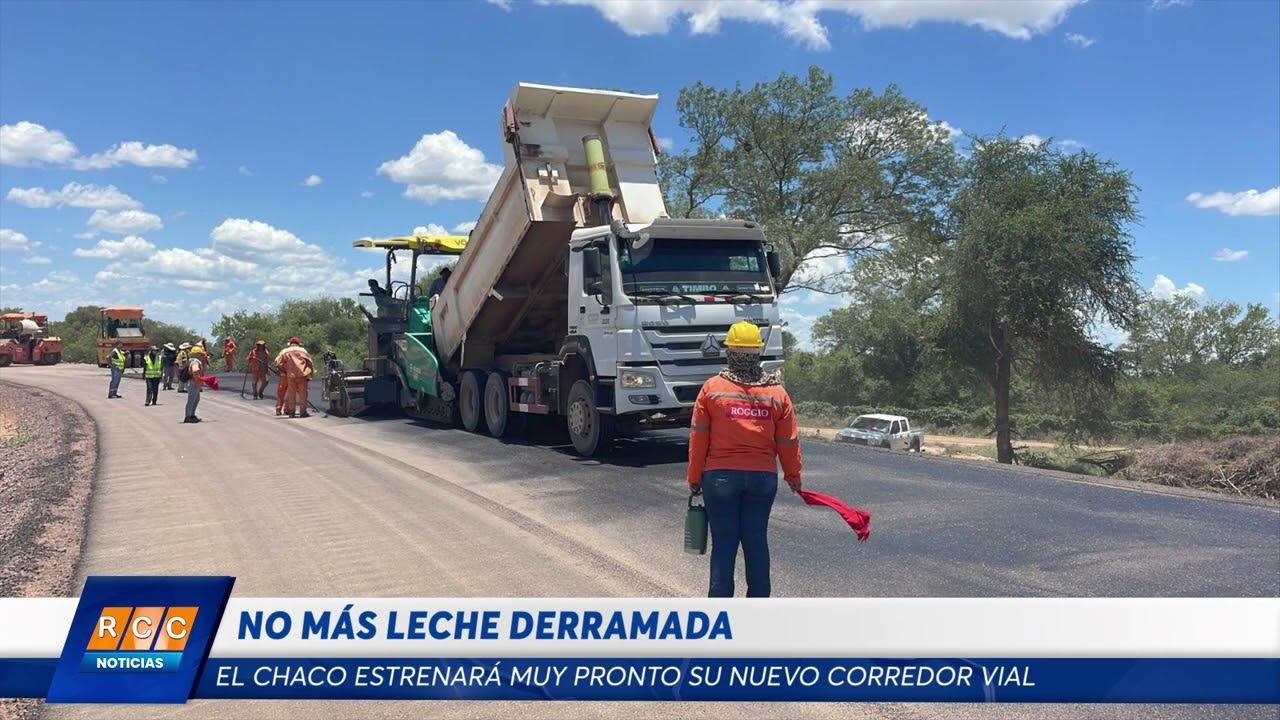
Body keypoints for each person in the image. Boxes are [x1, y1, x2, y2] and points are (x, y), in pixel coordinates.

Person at [686, 321, 801, 599]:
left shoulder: (712, 389)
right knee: (756, 541)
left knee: (724, 544)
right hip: (762, 479)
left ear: (730, 352)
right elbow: (788, 441)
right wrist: (793, 476)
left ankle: (721, 613)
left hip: (720, 478)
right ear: (756, 353)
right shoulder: (777, 393)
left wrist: (694, 477)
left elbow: (698, 437)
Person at [274, 337, 314, 418]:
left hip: (290, 376)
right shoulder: (303, 350)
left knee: (291, 394)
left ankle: (291, 412)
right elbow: (310, 362)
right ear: (298, 343)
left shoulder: (285, 351)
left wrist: (284, 371)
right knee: (303, 394)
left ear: (290, 343)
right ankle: (303, 412)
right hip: (302, 375)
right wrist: (310, 373)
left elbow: (277, 363)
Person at [183, 346, 205, 423]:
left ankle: (192, 415)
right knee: (191, 400)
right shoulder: (195, 362)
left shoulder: (192, 361)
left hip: (193, 384)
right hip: (193, 384)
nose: (202, 356)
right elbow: (195, 371)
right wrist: (198, 380)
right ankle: (188, 416)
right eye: (200, 354)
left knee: (196, 399)